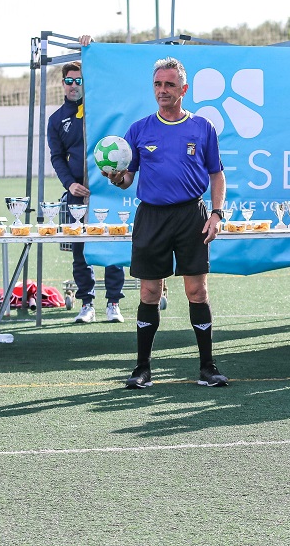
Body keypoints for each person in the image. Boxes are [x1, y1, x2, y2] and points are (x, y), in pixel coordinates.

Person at [105, 56, 228, 389]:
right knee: (149, 292)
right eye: (158, 84)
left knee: (197, 290)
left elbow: (217, 175)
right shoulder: (139, 129)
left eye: (169, 84)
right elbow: (126, 179)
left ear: (183, 89)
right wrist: (115, 177)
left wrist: (216, 213)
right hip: (152, 216)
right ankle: (142, 368)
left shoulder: (202, 127)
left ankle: (208, 367)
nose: (162, 90)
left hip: (192, 216)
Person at [47, 38, 125, 324]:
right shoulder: (57, 119)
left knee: (110, 245)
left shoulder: (99, 110)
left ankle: (113, 302)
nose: (73, 85)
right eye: (68, 81)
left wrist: (90, 48)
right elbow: (57, 157)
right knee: (80, 250)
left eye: (78, 80)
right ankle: (87, 303)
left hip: (106, 190)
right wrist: (70, 184)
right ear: (63, 84)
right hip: (77, 194)